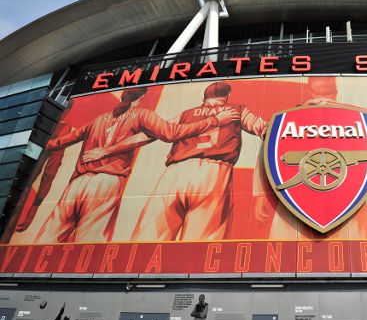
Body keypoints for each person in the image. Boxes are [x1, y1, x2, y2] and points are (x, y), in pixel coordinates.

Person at [33, 87, 236, 243]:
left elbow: (58, 142)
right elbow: (171, 133)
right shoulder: (142, 115)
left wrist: (31, 143)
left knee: (45, 239)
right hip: (106, 182)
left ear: (122, 96)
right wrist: (213, 121)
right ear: (140, 98)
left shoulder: (97, 120)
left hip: (75, 185)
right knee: (88, 243)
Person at [98, 82, 267, 241]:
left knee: (147, 239)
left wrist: (107, 150)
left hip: (175, 173)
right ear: (227, 95)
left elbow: (148, 135)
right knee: (199, 249)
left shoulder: (186, 114)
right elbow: (264, 128)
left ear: (204, 98)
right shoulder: (237, 110)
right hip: (213, 173)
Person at [252, 76, 367, 239]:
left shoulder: (284, 119)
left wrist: (260, 194)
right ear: (336, 92)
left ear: (310, 92)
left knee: (288, 256)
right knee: (353, 255)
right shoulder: (358, 118)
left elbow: (266, 155)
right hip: (347, 200)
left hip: (294, 202)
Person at [15, 100, 75, 233]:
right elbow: (51, 169)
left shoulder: (28, 123)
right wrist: (36, 203)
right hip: (20, 188)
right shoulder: (61, 129)